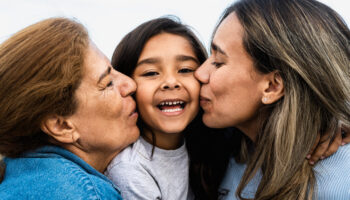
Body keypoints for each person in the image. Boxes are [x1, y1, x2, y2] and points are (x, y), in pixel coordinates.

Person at [194, 0, 350, 199]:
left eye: (218, 62)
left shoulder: (342, 183)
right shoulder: (223, 150)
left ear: (272, 86)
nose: (199, 73)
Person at [0, 17, 140, 199]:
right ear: (61, 126)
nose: (130, 84)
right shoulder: (86, 194)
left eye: (112, 68)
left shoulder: (16, 178)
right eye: (108, 83)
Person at [104, 17, 215, 200]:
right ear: (128, 86)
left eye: (185, 69)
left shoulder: (212, 144)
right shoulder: (130, 170)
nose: (171, 82)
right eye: (151, 73)